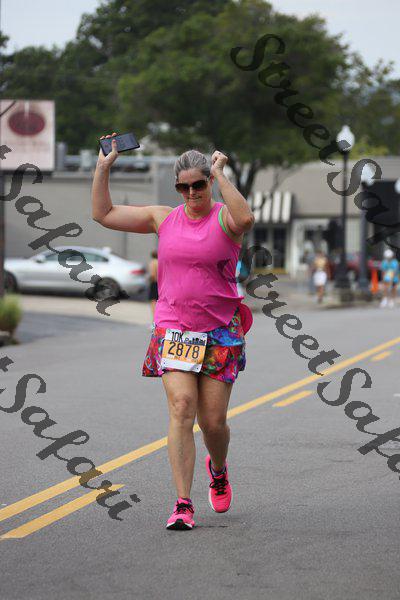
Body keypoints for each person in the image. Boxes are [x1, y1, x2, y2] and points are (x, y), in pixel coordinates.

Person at [92, 133, 255, 530]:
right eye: (183, 187)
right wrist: (102, 168)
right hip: (175, 330)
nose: (191, 193)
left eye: (198, 185)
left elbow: (246, 220)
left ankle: (218, 468)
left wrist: (221, 173)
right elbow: (104, 213)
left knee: (213, 423)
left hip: (219, 331)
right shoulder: (163, 218)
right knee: (182, 407)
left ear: (208, 182)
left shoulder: (224, 218)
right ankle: (183, 503)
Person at [148, 249, 158, 327]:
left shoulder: (153, 263)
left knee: (153, 303)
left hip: (154, 283)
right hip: (160, 284)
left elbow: (152, 275)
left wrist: (149, 280)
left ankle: (154, 322)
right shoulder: (160, 262)